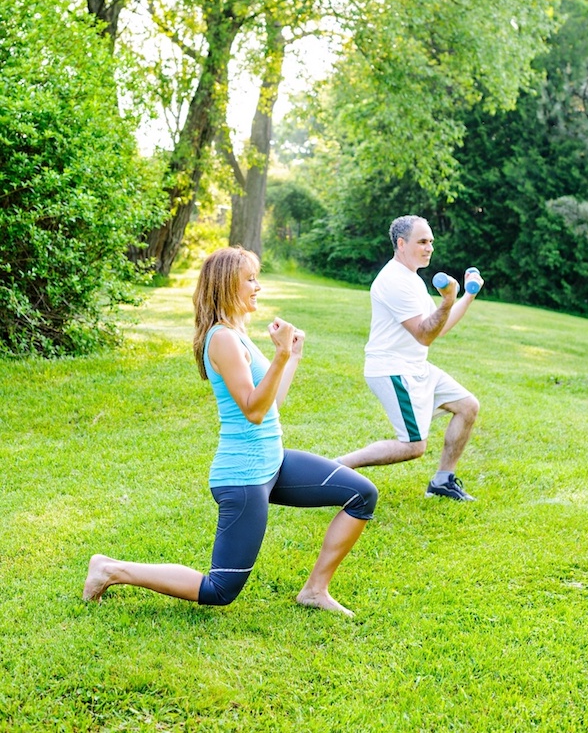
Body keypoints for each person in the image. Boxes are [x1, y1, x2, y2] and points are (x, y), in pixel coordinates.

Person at [83, 246, 377, 616]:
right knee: (220, 589)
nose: (258, 287)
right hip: (243, 476)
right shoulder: (221, 339)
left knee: (361, 494)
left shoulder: (237, 334)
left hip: (274, 462)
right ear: (226, 286)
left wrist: (293, 357)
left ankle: (315, 591)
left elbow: (269, 404)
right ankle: (111, 569)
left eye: (257, 278)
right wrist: (281, 355)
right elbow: (253, 411)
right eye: (250, 279)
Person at [336, 215, 483, 502]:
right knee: (414, 446)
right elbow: (424, 335)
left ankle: (442, 481)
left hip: (416, 366)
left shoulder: (412, 279)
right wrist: (447, 300)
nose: (429, 248)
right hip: (393, 369)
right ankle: (335, 468)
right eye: (422, 242)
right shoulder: (393, 281)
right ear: (401, 244)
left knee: (467, 406)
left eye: (431, 242)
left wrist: (466, 297)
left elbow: (437, 328)